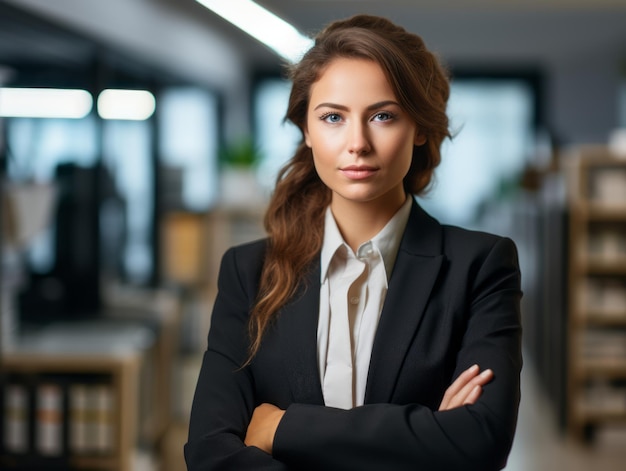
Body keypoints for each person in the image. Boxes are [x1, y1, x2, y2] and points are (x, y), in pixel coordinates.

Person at [185, 14, 522, 471]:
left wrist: (281, 429)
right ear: (306, 129)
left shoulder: (479, 266)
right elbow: (210, 452)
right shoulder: (248, 272)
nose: (357, 143)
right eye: (332, 118)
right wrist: (424, 436)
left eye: (383, 116)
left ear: (419, 127)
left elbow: (479, 441)